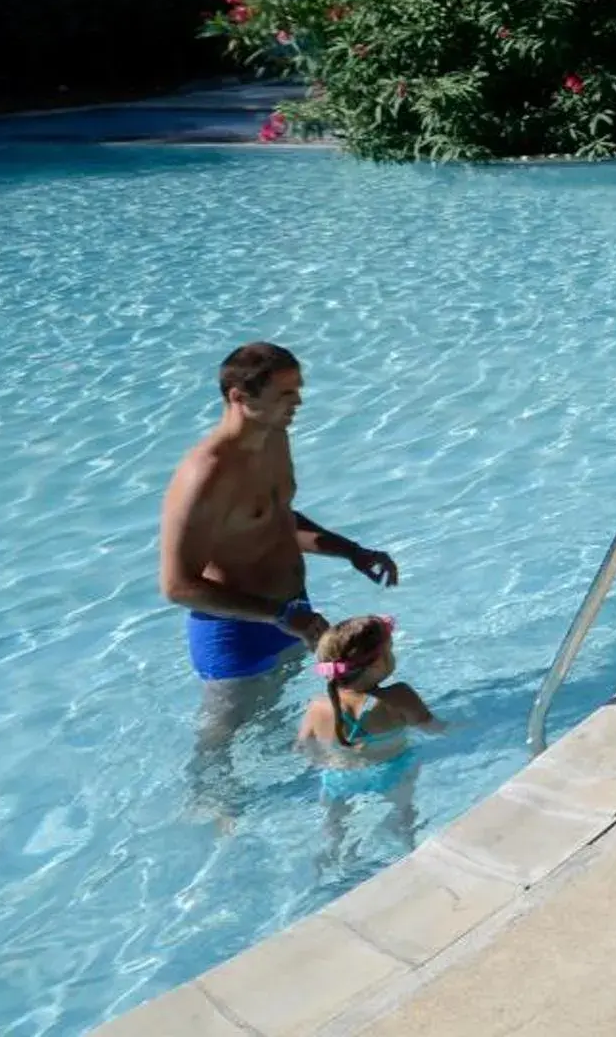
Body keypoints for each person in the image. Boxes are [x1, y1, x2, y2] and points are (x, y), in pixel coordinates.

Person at [159, 343, 397, 813]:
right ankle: (210, 811)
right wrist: (278, 617)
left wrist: (350, 551)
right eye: (286, 393)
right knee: (220, 740)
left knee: (270, 717)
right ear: (239, 397)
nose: (298, 403)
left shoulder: (273, 437)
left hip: (292, 613)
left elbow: (276, 517)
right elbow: (177, 585)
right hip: (237, 633)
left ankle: (284, 791)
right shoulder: (205, 474)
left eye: (298, 390)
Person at [299, 614, 439, 861]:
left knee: (334, 828)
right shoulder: (398, 697)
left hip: (338, 777)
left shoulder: (317, 707)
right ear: (377, 664)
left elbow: (303, 748)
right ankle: (408, 851)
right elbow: (432, 727)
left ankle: (331, 857)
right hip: (392, 772)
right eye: (391, 650)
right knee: (404, 816)